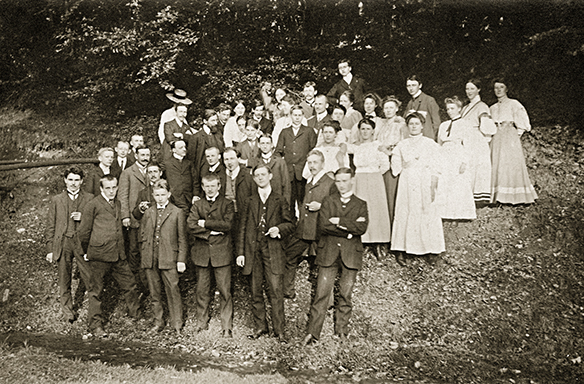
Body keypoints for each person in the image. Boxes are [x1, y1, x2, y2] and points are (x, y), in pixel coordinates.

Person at [302, 167, 368, 345]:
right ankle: (312, 333)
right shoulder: (328, 201)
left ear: (352, 180)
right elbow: (323, 226)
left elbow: (362, 228)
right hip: (328, 253)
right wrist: (349, 229)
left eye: (345, 180)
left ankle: (341, 332)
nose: (341, 185)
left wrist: (339, 221)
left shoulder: (361, 204)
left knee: (345, 295)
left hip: (350, 255)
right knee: (321, 294)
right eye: (338, 181)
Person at [236, 164, 294, 342]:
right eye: (257, 176)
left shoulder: (280, 199)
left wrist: (279, 229)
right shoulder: (249, 200)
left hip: (273, 251)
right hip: (253, 252)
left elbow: (290, 224)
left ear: (270, 176)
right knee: (255, 291)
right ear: (253, 179)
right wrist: (241, 253)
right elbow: (243, 228)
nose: (260, 178)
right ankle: (261, 327)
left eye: (263, 174)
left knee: (275, 290)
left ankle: (279, 330)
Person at [77, 175, 140, 337]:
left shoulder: (117, 203)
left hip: (118, 254)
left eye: (114, 187)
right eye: (108, 188)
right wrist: (87, 252)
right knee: (95, 291)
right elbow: (84, 233)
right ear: (101, 189)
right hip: (99, 255)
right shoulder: (93, 205)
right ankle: (95, 325)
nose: (112, 191)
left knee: (130, 284)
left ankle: (135, 316)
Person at [391, 113, 445, 266]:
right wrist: (404, 166)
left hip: (425, 180)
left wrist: (433, 183)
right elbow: (395, 167)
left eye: (416, 124)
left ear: (422, 125)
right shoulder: (402, 145)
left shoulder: (430, 144)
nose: (414, 126)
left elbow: (438, 165)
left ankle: (431, 249)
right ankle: (402, 248)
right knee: (405, 211)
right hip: (408, 182)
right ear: (407, 127)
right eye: (411, 124)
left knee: (426, 210)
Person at [135, 179, 187, 335]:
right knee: (155, 292)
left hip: (169, 258)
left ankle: (177, 323)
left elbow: (182, 239)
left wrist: (181, 260)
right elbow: (142, 234)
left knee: (173, 291)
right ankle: (159, 322)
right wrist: (145, 255)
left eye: (163, 195)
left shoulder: (177, 212)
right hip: (151, 258)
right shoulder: (149, 212)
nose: (160, 198)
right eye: (157, 195)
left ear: (169, 194)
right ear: (153, 195)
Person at [284, 150, 336, 300]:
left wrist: (321, 206)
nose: (312, 166)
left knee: (324, 263)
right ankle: (287, 290)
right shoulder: (309, 182)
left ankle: (327, 299)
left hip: (320, 230)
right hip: (305, 229)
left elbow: (336, 206)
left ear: (323, 163)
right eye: (310, 163)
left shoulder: (330, 182)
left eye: (315, 162)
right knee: (290, 255)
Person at [187, 174, 235, 337]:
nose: (210, 189)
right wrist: (213, 232)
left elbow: (228, 225)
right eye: (207, 186)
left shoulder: (227, 204)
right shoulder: (197, 204)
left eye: (213, 185)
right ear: (202, 187)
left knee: (224, 290)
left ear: (219, 186)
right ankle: (202, 322)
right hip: (202, 254)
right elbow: (191, 225)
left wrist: (205, 223)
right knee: (202, 290)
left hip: (221, 254)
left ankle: (226, 326)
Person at [45, 167, 93, 323]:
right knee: (64, 279)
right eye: (70, 180)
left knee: (89, 278)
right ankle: (68, 313)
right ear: (65, 180)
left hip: (81, 243)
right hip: (63, 242)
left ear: (82, 181)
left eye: (77, 180)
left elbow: (96, 222)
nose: (73, 183)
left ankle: (94, 312)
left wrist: (83, 217)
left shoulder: (90, 198)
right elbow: (50, 226)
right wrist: (50, 249)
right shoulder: (57, 200)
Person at [489, 79, 538, 204]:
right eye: (496, 88)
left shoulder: (514, 103)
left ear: (507, 89)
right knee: (497, 163)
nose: (498, 90)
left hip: (509, 135)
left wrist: (516, 135)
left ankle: (515, 197)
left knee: (510, 164)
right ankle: (498, 196)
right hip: (496, 136)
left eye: (501, 87)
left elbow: (523, 121)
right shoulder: (492, 108)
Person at [347, 118, 390, 254]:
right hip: (359, 179)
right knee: (362, 209)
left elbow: (385, 165)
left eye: (368, 129)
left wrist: (374, 175)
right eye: (362, 129)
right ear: (359, 131)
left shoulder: (378, 145)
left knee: (376, 209)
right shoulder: (356, 147)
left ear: (373, 131)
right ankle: (363, 240)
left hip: (374, 178)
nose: (365, 132)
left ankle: (377, 242)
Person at [435, 97, 476, 220]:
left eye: (452, 108)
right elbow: (439, 143)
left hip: (457, 154)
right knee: (444, 181)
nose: (450, 111)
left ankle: (461, 213)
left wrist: (465, 161)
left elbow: (469, 145)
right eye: (448, 109)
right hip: (444, 155)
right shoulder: (444, 125)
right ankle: (444, 213)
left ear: (459, 109)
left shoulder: (465, 124)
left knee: (458, 182)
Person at [118, 145, 151, 296]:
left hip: (150, 219)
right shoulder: (127, 173)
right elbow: (122, 196)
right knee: (133, 251)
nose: (145, 157)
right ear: (136, 156)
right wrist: (125, 216)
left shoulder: (152, 171)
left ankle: (147, 283)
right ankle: (135, 285)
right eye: (142, 155)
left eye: (147, 155)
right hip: (134, 218)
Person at [276, 104, 318, 216]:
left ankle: (303, 225)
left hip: (304, 172)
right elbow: (278, 151)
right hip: (288, 172)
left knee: (303, 200)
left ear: (303, 116)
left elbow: (314, 150)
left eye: (299, 115)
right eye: (295, 115)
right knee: (289, 201)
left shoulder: (309, 131)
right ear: (291, 116)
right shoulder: (284, 132)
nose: (297, 117)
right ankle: (290, 226)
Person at [376, 96, 408, 229]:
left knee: (390, 198)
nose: (388, 110)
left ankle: (391, 232)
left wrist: (389, 151)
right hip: (380, 163)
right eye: (386, 108)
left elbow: (404, 144)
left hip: (392, 164)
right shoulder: (382, 124)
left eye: (391, 108)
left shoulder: (401, 124)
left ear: (397, 109)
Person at [460, 78, 493, 204]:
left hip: (476, 139)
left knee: (477, 167)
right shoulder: (465, 107)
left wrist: (484, 139)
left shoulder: (482, 106)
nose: (469, 91)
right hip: (466, 138)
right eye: (467, 88)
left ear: (478, 89)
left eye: (472, 88)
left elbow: (487, 127)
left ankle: (479, 198)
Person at [250, 134, 291, 204]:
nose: (265, 146)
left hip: (277, 202)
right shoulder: (254, 162)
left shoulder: (280, 162)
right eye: (262, 143)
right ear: (258, 145)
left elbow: (286, 185)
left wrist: (286, 205)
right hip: (260, 201)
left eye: (267, 143)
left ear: (272, 145)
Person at [223, 147, 254, 230]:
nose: (229, 162)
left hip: (243, 215)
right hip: (225, 216)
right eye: (226, 159)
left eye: (232, 158)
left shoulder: (247, 175)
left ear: (238, 159)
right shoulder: (220, 176)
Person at [186, 109, 225, 178]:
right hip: (203, 173)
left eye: (216, 120)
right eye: (213, 120)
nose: (215, 123)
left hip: (219, 172)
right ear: (205, 121)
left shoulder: (218, 134)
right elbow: (191, 160)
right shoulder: (196, 137)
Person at [404, 75, 441, 141]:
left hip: (427, 139)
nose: (411, 88)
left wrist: (432, 139)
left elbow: (437, 123)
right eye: (408, 86)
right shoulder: (410, 103)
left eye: (414, 85)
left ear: (420, 85)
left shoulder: (429, 100)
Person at [164, 140, 195, 214]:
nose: (184, 149)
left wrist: (195, 195)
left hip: (189, 198)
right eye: (181, 147)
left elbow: (195, 180)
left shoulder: (189, 163)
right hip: (175, 199)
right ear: (174, 150)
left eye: (185, 147)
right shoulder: (167, 164)